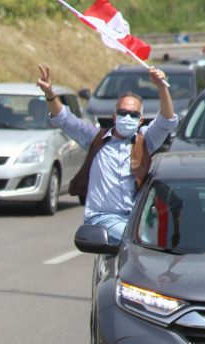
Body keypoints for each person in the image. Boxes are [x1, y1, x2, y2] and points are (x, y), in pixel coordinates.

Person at [37, 63, 178, 242]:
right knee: (138, 241)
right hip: (101, 219)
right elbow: (65, 119)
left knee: (162, 243)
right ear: (114, 116)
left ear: (141, 120)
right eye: (123, 113)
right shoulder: (96, 139)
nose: (127, 118)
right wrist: (50, 94)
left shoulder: (145, 142)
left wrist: (161, 87)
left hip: (135, 220)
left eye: (133, 115)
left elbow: (166, 121)